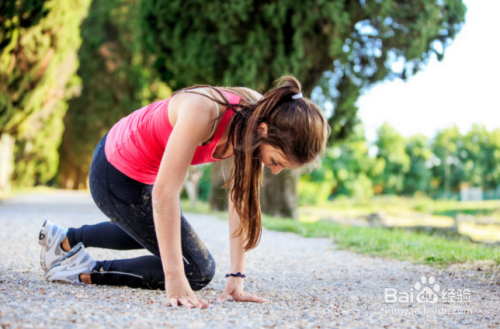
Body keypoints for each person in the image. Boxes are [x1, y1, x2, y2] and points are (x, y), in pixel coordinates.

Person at [38, 76, 330, 309]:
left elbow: (240, 200)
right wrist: (174, 279)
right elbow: (164, 196)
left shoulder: (257, 122)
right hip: (115, 171)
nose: (275, 170)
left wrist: (236, 278)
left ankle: (64, 239)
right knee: (197, 270)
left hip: (136, 168)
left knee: (157, 233)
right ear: (265, 130)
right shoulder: (205, 111)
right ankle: (82, 270)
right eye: (277, 161)